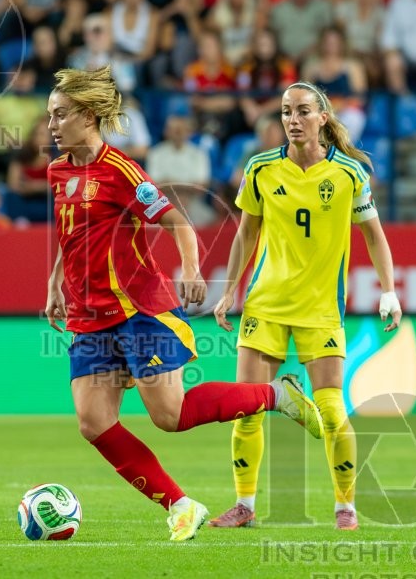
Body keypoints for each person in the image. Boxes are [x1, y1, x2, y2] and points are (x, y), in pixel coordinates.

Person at [44, 66, 325, 542]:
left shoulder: (120, 171)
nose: (51, 125)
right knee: (93, 422)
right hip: (89, 317)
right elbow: (71, 235)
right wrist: (55, 283)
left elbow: (177, 223)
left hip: (138, 311)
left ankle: (279, 394)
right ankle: (180, 505)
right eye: (48, 116)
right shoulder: (57, 171)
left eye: (60, 115)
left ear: (88, 116)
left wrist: (192, 268)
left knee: (169, 416)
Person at [212, 81, 402, 530]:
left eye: (301, 112)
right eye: (285, 112)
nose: (292, 120)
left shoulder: (350, 174)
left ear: (322, 118)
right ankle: (245, 505)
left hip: (320, 309)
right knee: (246, 407)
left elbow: (374, 234)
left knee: (334, 411)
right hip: (266, 304)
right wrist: (228, 289)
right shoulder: (260, 169)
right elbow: (246, 234)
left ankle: (345, 507)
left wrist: (389, 289)